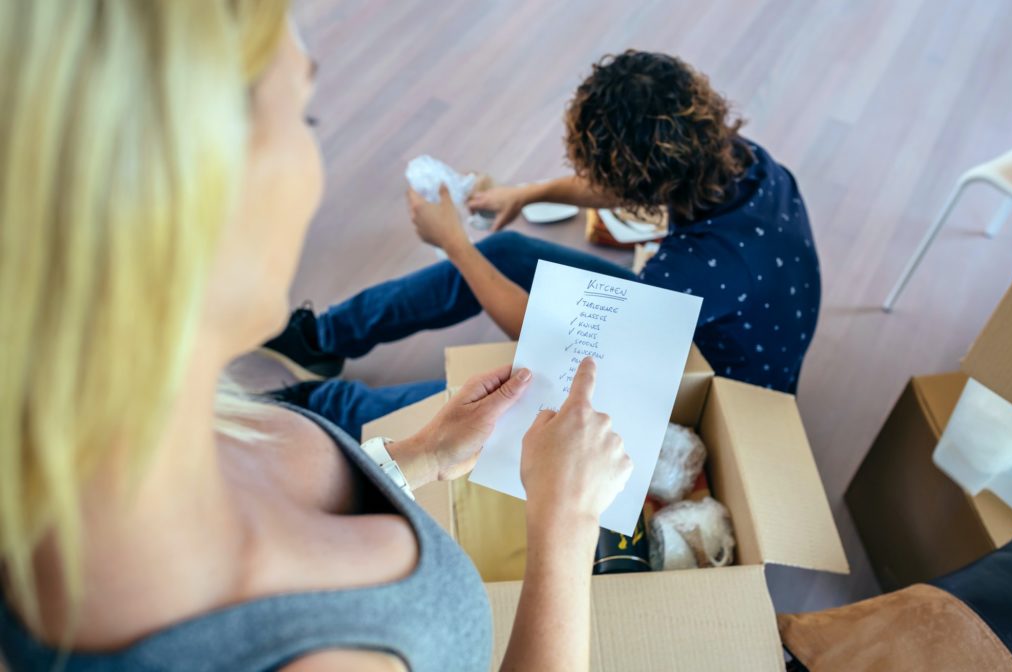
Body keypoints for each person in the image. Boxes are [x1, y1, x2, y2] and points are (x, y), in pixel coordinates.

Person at [0, 3, 632, 671]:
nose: (316, 162)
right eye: (304, 117)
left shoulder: (119, 438)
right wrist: (565, 522)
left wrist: (424, 455)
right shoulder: (296, 656)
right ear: (187, 187)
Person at [264, 50, 821, 438]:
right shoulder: (729, 155)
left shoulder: (693, 269)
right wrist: (527, 195)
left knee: (509, 397)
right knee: (504, 254)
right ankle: (323, 338)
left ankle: (323, 410)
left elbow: (554, 342)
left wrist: (455, 244)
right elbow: (631, 182)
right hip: (706, 319)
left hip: (720, 390)